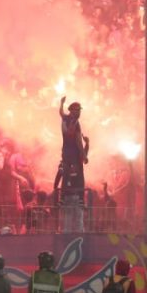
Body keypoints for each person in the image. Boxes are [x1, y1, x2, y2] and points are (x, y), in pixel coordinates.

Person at [57, 97, 89, 233]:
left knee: (66, 175)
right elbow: (78, 141)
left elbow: (60, 112)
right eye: (78, 110)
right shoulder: (75, 122)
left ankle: (62, 197)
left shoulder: (65, 118)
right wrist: (84, 155)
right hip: (74, 154)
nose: (79, 113)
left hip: (65, 152)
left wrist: (61, 103)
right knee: (80, 176)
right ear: (73, 111)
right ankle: (81, 199)